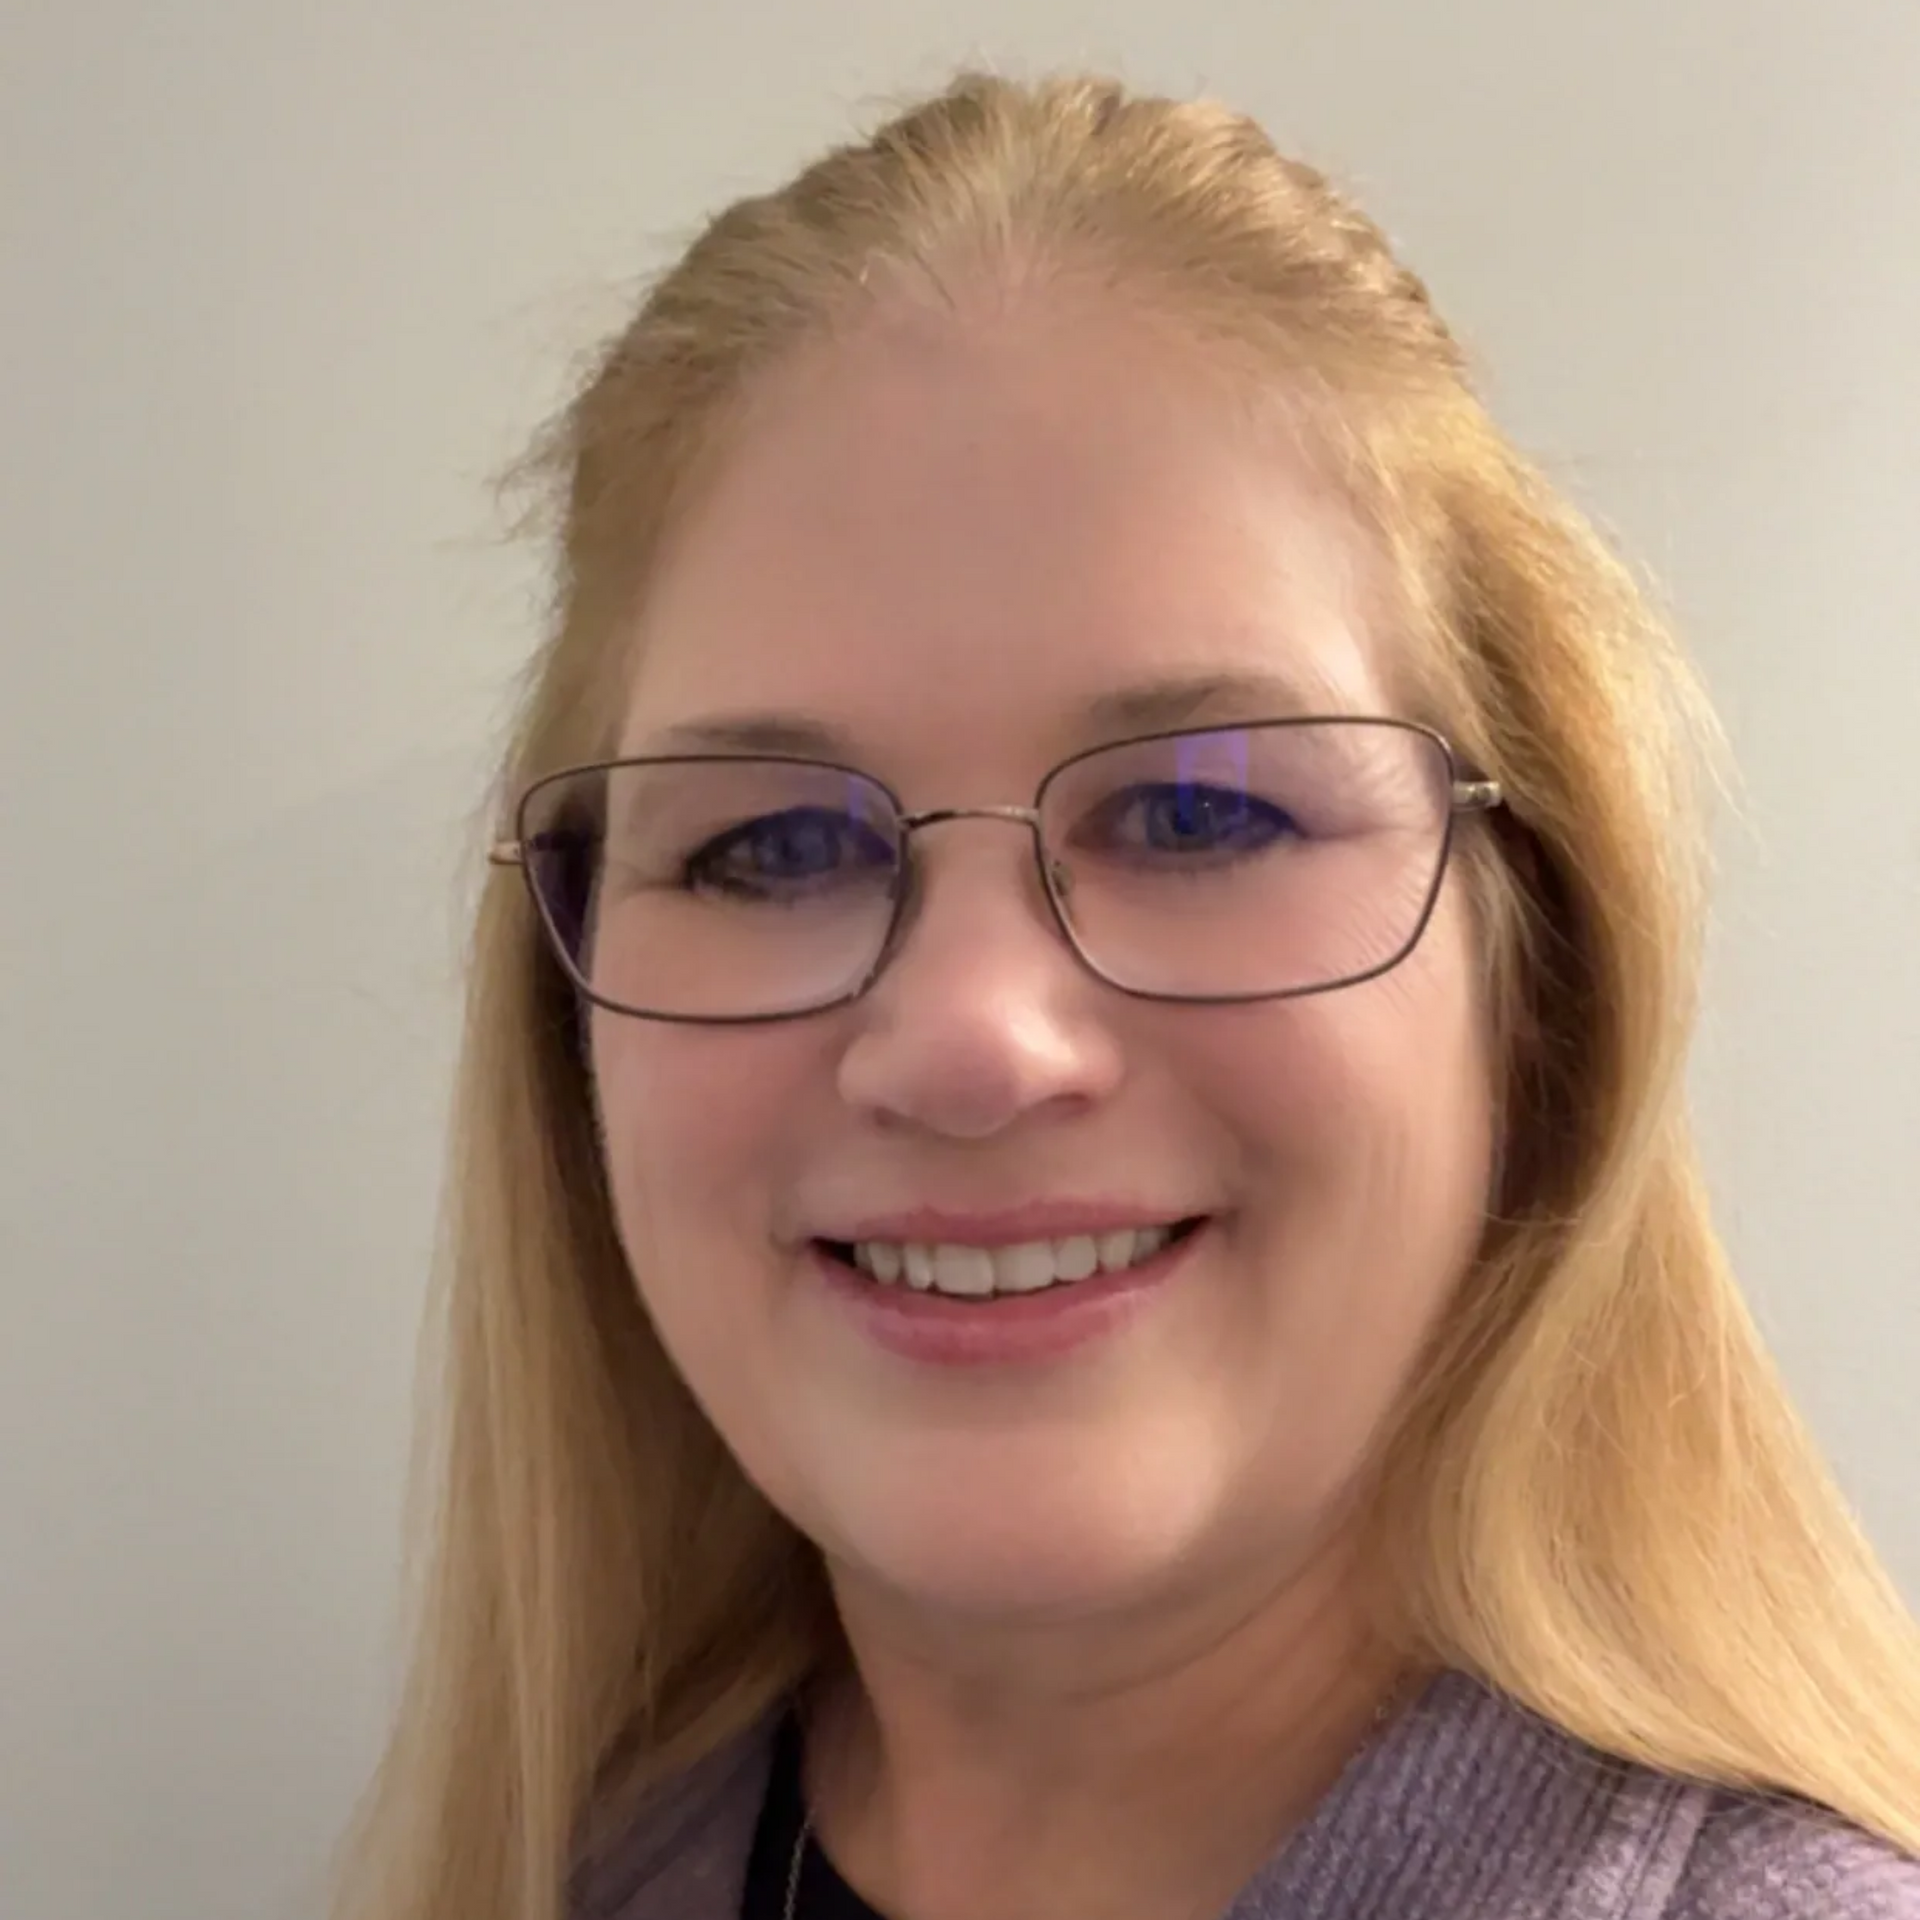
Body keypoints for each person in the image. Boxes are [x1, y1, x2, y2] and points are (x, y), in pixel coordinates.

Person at [332, 70, 1920, 1920]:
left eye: (1201, 810)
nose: (970, 1042)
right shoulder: (591, 1865)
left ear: (1533, 972)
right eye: (771, 847)